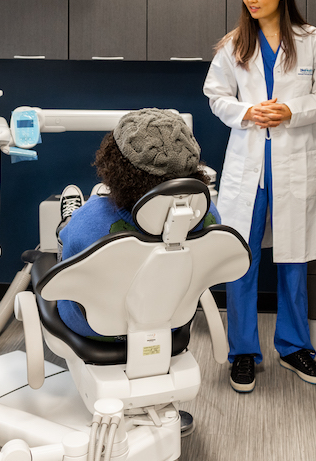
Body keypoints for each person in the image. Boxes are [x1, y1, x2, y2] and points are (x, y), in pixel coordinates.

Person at [203, 0, 316, 393]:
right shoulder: (233, 45)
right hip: (249, 167)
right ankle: (242, 353)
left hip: (291, 164)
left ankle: (295, 347)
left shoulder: (313, 41)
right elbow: (215, 95)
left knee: (293, 260)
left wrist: (291, 110)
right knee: (241, 262)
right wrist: (248, 111)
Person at [55, 108, 218, 438]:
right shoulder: (207, 213)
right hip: (169, 321)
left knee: (64, 243)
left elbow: (70, 262)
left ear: (114, 165)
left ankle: (63, 221)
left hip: (94, 329)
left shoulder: (93, 220)